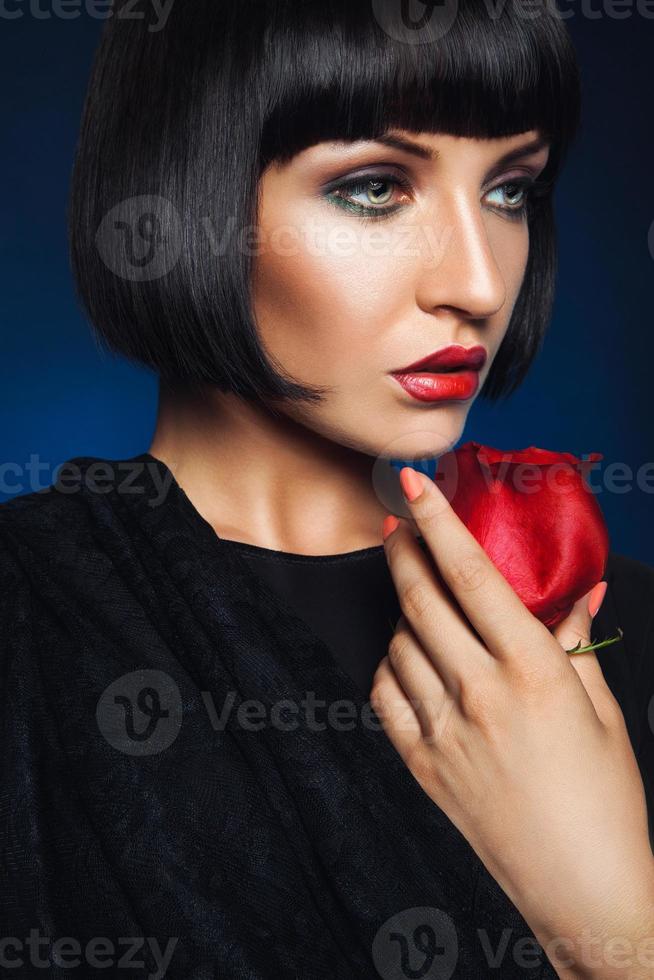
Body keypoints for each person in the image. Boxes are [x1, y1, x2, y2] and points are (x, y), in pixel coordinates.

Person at [2, 0, 654, 977]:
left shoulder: (619, 623)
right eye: (375, 187)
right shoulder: (30, 618)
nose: (478, 282)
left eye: (512, 190)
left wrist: (615, 926)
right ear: (184, 195)